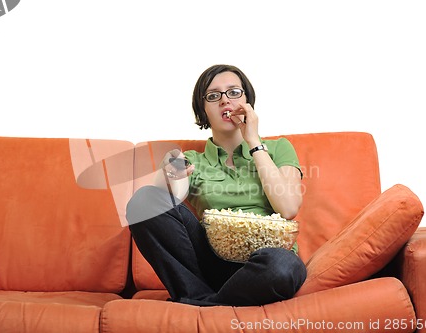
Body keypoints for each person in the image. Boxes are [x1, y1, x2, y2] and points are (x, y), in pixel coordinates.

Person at [126, 64, 307, 306]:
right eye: (213, 96)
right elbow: (167, 205)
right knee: (144, 200)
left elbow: (288, 208)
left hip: (266, 264)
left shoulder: (277, 149)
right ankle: (207, 298)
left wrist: (253, 142)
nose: (224, 101)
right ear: (203, 110)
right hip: (211, 264)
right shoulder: (191, 160)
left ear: (247, 101)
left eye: (233, 92)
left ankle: (205, 303)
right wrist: (167, 178)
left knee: (282, 266)